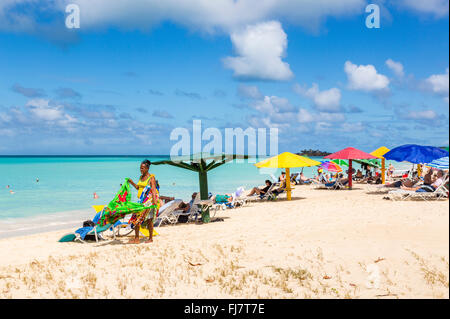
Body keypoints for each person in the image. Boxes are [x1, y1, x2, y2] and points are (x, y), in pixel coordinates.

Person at [127, 160, 160, 244]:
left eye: (142, 168)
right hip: (140, 202)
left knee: (149, 220)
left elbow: (153, 189)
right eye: (140, 168)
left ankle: (150, 238)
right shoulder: (140, 177)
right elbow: (138, 187)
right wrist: (131, 182)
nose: (141, 170)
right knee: (136, 218)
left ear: (147, 168)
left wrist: (155, 201)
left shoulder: (151, 177)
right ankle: (137, 238)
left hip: (148, 202)